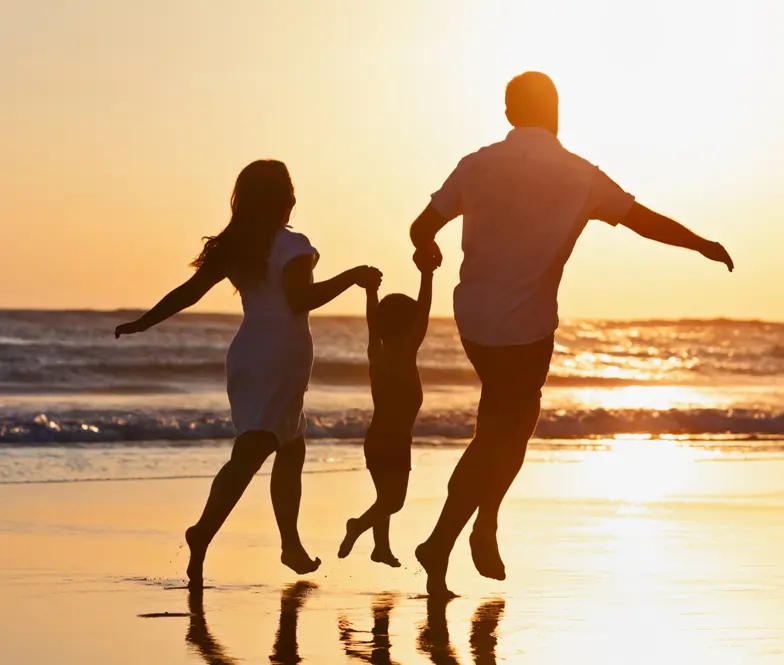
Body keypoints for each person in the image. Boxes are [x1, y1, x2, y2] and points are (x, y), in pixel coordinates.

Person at [409, 71, 734, 596]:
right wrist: (699, 243)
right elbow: (643, 221)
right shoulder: (580, 177)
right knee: (503, 431)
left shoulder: (475, 165)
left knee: (501, 424)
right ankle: (452, 536)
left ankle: (473, 529)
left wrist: (427, 252)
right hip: (529, 328)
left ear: (510, 113)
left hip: (473, 321)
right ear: (556, 113)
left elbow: (422, 227)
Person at [114, 160, 382, 585]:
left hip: (250, 352)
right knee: (254, 451)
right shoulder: (292, 244)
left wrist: (144, 322)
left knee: (289, 446)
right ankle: (205, 532)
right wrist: (352, 276)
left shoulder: (239, 244)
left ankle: (289, 544)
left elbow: (189, 292)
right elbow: (299, 301)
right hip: (279, 357)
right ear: (286, 199)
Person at [337, 249, 437, 566]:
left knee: (384, 498)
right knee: (394, 502)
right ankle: (357, 526)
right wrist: (427, 275)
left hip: (375, 440)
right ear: (409, 328)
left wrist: (371, 292)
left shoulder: (376, 354)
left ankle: (381, 548)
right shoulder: (406, 353)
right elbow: (424, 313)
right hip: (394, 442)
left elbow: (372, 323)